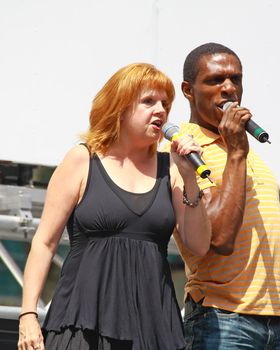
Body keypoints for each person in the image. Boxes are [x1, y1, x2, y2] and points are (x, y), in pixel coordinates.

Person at [17, 62, 212, 350]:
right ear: (119, 106)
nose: (160, 110)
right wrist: (28, 314)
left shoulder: (170, 169)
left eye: (165, 104)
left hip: (152, 326)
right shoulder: (82, 160)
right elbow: (45, 243)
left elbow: (198, 245)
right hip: (83, 320)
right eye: (148, 101)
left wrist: (190, 180)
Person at [169, 43, 280, 349]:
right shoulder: (184, 150)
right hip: (223, 320)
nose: (228, 89)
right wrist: (237, 150)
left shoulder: (247, 152)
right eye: (215, 80)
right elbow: (220, 238)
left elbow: (268, 251)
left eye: (235, 79)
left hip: (278, 326)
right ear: (188, 90)